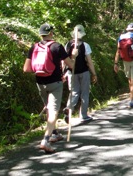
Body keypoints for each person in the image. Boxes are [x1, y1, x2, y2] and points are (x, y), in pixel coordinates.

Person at [23, 23, 76, 153]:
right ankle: (45, 140)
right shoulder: (57, 46)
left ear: (41, 34)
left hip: (40, 83)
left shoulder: (34, 47)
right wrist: (74, 55)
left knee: (48, 108)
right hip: (55, 83)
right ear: (51, 33)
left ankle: (55, 133)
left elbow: (26, 69)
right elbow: (71, 65)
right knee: (53, 111)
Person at [63, 25, 97, 124]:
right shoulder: (85, 45)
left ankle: (69, 109)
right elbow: (89, 61)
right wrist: (94, 73)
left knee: (74, 93)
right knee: (84, 94)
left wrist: (64, 72)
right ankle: (83, 115)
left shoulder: (67, 45)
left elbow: (64, 60)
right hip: (83, 72)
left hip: (71, 72)